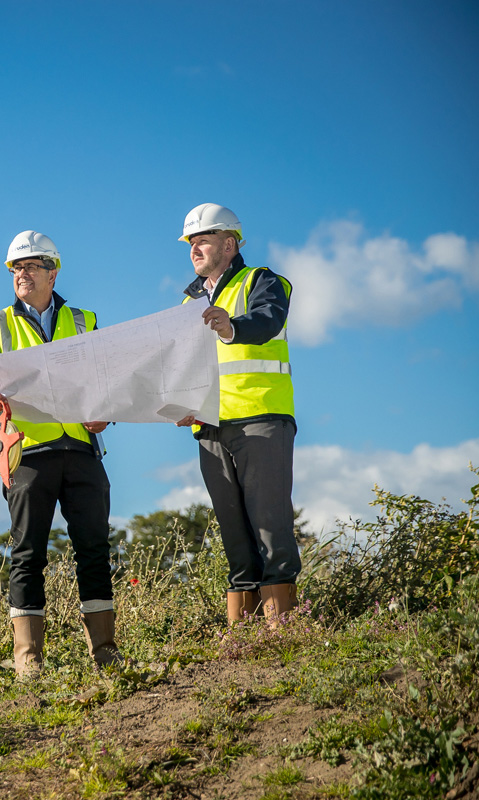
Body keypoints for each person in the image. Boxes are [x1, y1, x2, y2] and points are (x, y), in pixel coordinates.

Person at [0, 230, 119, 675]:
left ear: (53, 271)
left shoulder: (85, 321)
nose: (21, 275)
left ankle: (105, 651)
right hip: (28, 455)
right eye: (15, 268)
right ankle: (28, 658)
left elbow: (107, 384)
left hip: (84, 453)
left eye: (30, 266)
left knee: (94, 549)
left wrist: (105, 412)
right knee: (28, 553)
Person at [174, 203, 300, 628]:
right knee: (232, 526)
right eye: (191, 242)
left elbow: (268, 320)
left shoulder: (262, 281)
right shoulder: (189, 300)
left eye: (202, 239)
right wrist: (179, 403)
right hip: (209, 425)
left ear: (229, 244)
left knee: (269, 523)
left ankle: (280, 627)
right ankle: (242, 633)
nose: (194, 248)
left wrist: (231, 328)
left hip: (261, 417)